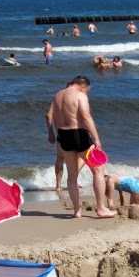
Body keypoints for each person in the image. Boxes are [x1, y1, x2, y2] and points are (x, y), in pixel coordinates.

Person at [46, 76, 114, 218]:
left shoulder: (57, 95)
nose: (87, 92)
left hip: (63, 135)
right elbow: (85, 117)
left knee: (72, 176)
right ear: (83, 86)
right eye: (88, 90)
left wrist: (50, 133)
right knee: (97, 170)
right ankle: (101, 208)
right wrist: (96, 139)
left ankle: (77, 211)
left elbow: (49, 116)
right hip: (78, 134)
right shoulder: (80, 95)